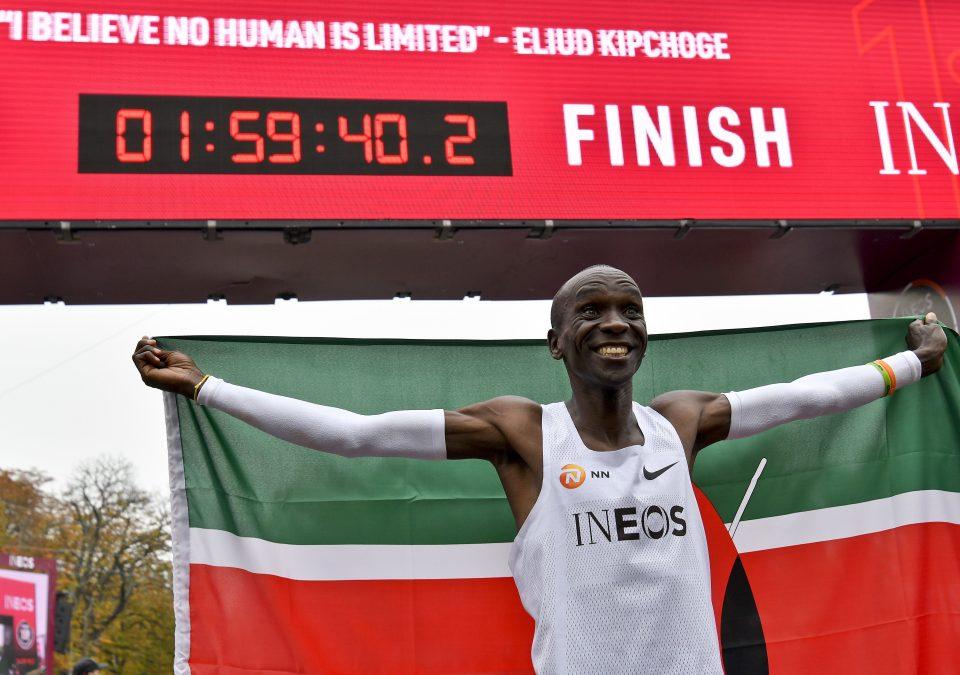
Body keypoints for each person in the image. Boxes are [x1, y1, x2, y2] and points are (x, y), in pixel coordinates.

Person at [133, 265, 947, 674]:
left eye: (629, 310)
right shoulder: (524, 433)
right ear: (556, 342)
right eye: (591, 311)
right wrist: (206, 387)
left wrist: (914, 363)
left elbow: (805, 397)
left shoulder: (680, 422)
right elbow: (353, 434)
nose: (615, 322)